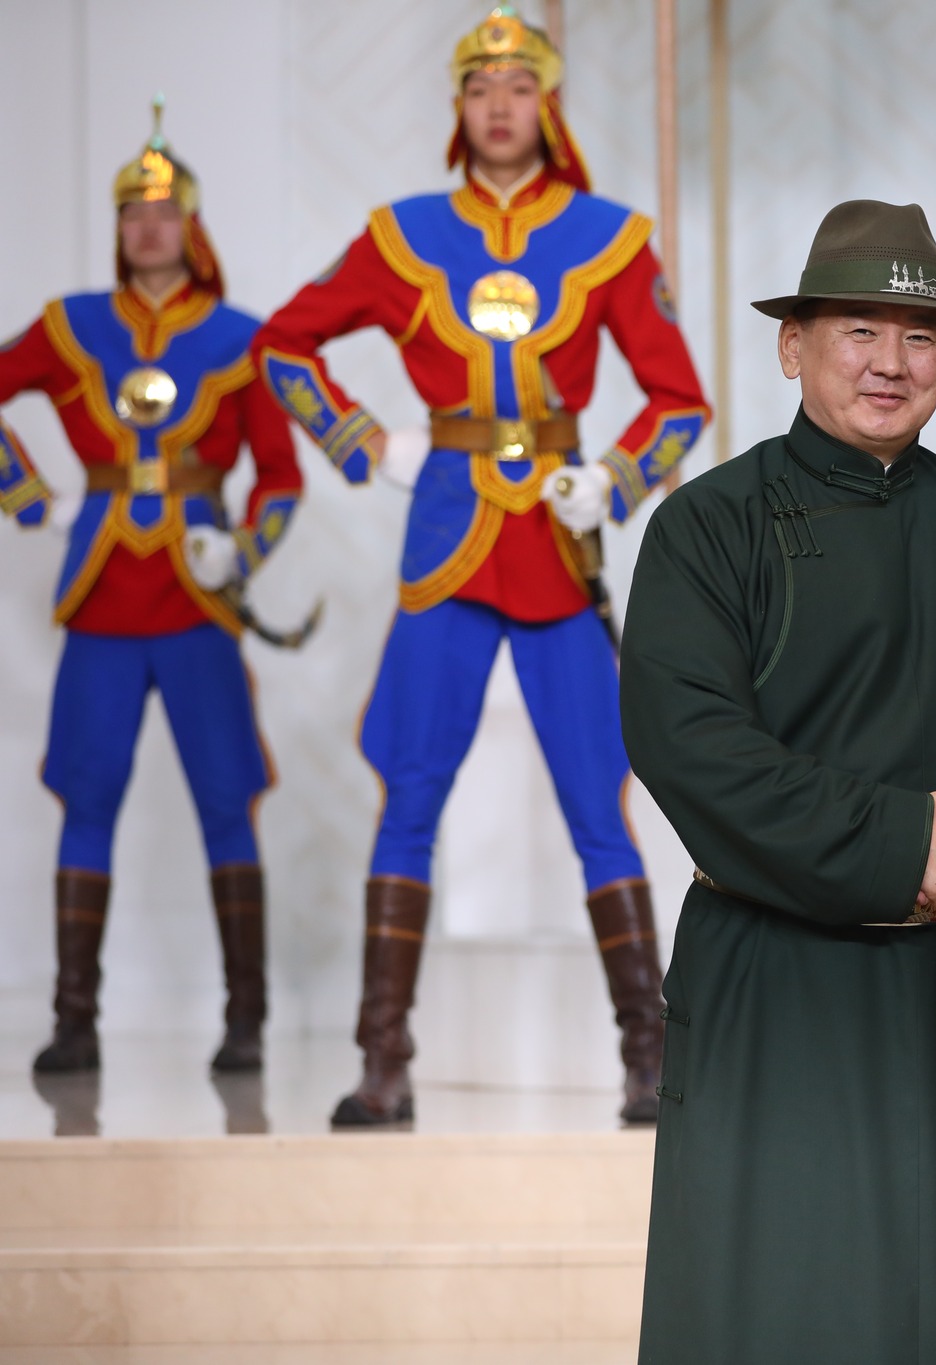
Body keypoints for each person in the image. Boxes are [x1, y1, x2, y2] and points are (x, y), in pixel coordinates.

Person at [619, 199, 936, 1365]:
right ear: (791, 347)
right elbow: (689, 744)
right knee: (767, 1302)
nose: (891, 363)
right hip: (766, 969)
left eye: (921, 337)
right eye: (859, 331)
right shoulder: (707, 527)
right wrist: (905, 843)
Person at [250, 5, 710, 1125]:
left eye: (518, 87)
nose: (499, 106)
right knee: (410, 791)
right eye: (478, 88)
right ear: (457, 110)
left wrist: (614, 479)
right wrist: (369, 444)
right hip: (446, 542)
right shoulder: (402, 234)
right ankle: (383, 1061)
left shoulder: (609, 236)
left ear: (547, 105)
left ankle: (648, 1056)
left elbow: (679, 401)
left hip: (555, 537)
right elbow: (282, 344)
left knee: (597, 800)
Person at [0, 98, 302, 1077]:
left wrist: (241, 552)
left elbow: (281, 476)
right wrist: (27, 497)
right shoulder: (73, 325)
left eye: (165, 212)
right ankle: (74, 1021)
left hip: (198, 605)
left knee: (226, 797)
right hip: (100, 601)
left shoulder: (245, 338)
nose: (148, 227)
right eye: (133, 211)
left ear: (193, 225)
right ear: (118, 226)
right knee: (86, 796)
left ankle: (246, 1021)